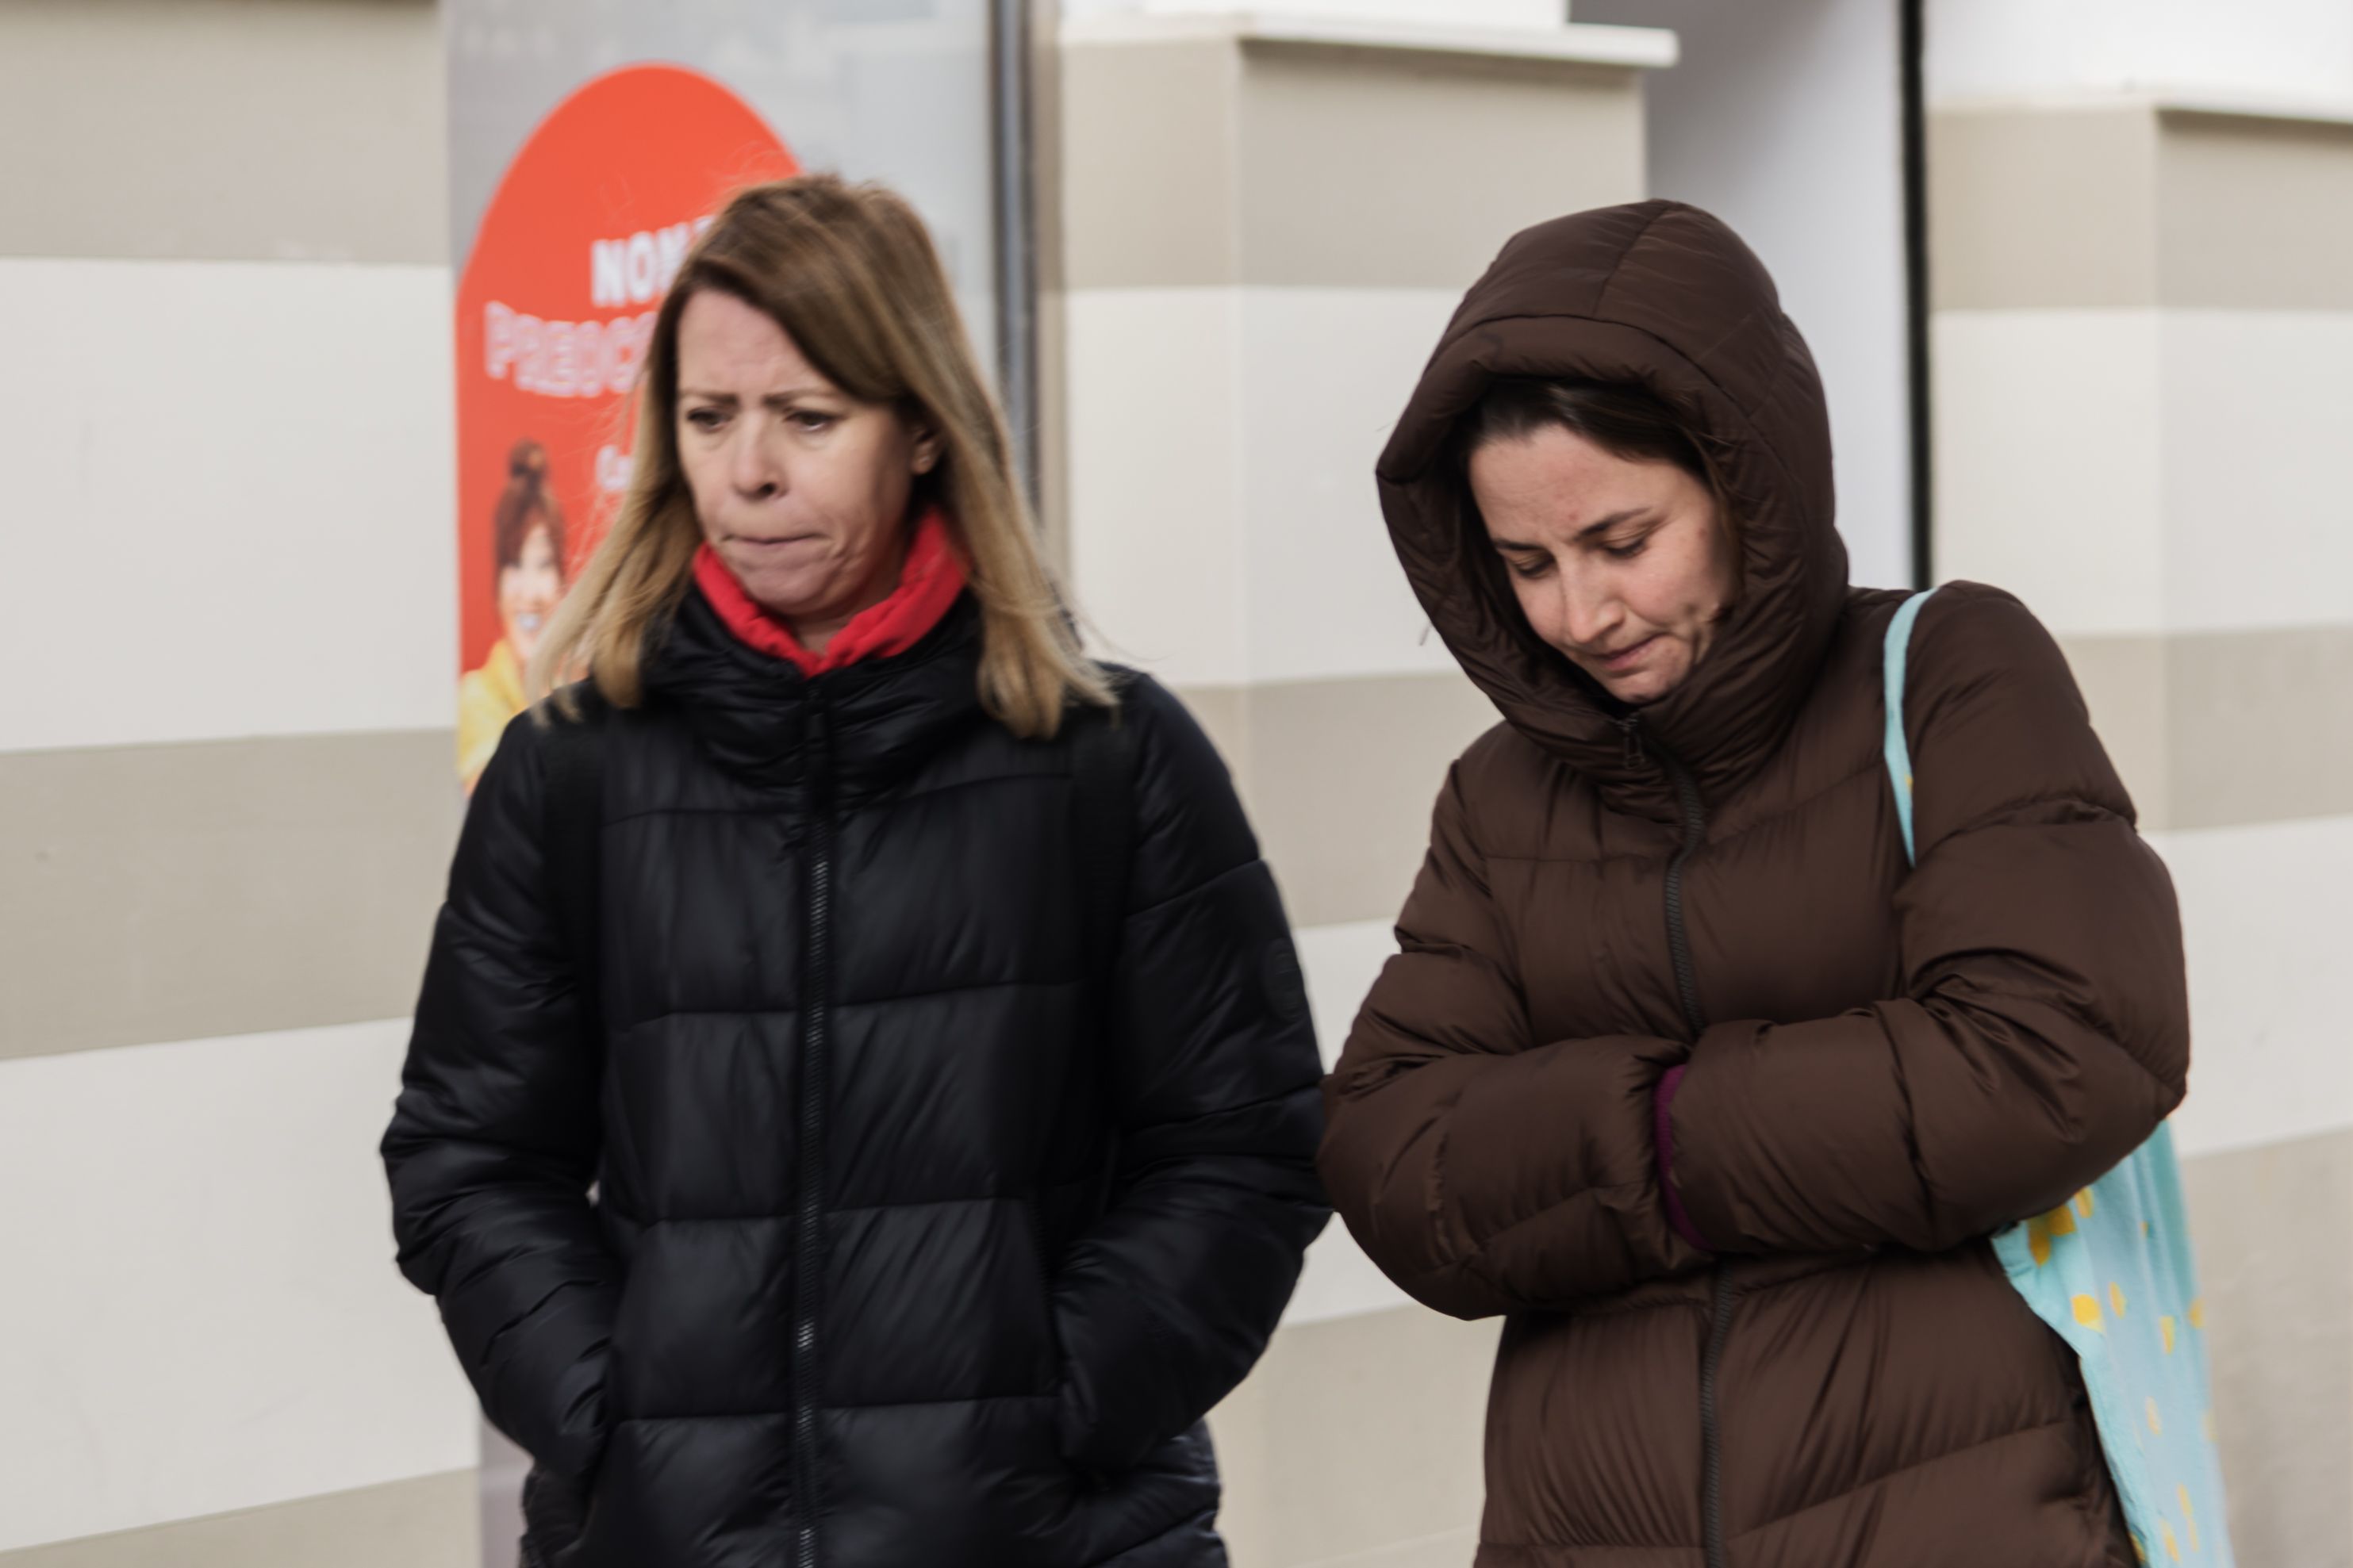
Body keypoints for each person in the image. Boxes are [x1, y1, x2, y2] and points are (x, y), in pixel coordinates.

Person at [384, 174, 1328, 1568]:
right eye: (709, 420)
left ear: (926, 430)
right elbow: (470, 1159)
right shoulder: (570, 771)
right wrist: (609, 1407)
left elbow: (1244, 1148)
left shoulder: (1109, 762)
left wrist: (1055, 1400)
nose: (749, 472)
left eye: (808, 419)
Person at [1319, 200, 2187, 1566]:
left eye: (1622, 541)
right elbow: (1391, 1159)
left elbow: (2056, 1051)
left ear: (1747, 483)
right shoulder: (1501, 793)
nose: (1576, 617)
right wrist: (1713, 1131)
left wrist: (1646, 1144)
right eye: (1526, 564)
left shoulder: (1951, 673)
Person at [459, 439, 569, 792]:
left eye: (544, 565)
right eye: (515, 565)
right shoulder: (477, 697)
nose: (530, 592)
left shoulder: (584, 687)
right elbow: (499, 813)